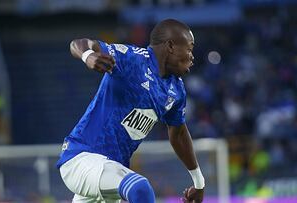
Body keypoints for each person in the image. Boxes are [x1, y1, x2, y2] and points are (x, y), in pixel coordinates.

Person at [57, 19, 205, 203]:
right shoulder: (133, 59)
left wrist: (199, 183)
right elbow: (78, 44)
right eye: (189, 49)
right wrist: (88, 55)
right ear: (171, 46)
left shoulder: (176, 90)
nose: (192, 56)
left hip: (110, 172)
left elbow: (179, 134)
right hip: (83, 157)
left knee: (136, 187)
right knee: (140, 189)